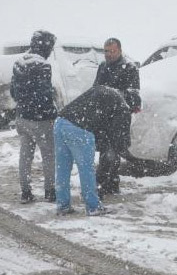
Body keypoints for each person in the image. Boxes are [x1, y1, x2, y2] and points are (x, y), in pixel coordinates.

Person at [54, 85, 134, 216]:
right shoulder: (123, 107)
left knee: (62, 167)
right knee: (86, 169)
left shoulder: (103, 90)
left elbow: (98, 118)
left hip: (60, 122)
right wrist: (126, 153)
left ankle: (62, 205)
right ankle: (93, 206)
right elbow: (118, 137)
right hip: (80, 128)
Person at [10, 30, 57, 204]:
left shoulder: (19, 62)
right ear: (46, 46)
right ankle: (50, 191)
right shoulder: (43, 65)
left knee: (25, 155)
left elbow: (13, 91)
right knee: (49, 155)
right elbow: (45, 96)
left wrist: (24, 103)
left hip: (22, 116)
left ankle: (26, 192)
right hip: (41, 119)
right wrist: (53, 113)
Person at [92, 37, 141, 197]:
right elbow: (96, 88)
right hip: (103, 116)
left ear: (119, 50)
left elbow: (133, 94)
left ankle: (103, 183)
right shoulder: (103, 66)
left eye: (112, 51)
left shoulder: (129, 67)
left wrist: (113, 95)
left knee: (113, 150)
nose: (109, 54)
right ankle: (110, 183)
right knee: (105, 150)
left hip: (119, 116)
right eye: (106, 51)